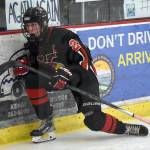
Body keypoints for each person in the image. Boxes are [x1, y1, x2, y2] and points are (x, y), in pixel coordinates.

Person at [14, 7, 148, 143]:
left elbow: (85, 60)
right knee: (32, 80)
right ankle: (47, 123)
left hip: (83, 78)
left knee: (94, 121)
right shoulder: (33, 43)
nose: (30, 29)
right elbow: (40, 66)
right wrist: (26, 66)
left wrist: (69, 74)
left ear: (43, 24)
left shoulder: (63, 36)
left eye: (33, 25)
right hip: (59, 79)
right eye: (27, 26)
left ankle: (125, 128)